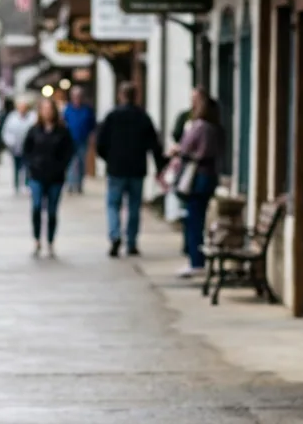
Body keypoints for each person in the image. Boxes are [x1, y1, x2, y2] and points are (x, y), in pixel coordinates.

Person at [95, 81, 165, 258]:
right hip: (136, 168)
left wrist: (109, 159)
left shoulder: (112, 117)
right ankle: (131, 241)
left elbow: (100, 143)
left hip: (116, 168)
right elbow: (154, 145)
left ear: (120, 95)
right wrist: (160, 167)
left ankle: (115, 235)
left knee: (113, 205)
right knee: (133, 207)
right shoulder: (143, 117)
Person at [166, 93, 223, 277]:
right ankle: (196, 258)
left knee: (193, 219)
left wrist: (177, 151)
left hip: (197, 177)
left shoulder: (199, 127)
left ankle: (195, 260)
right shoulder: (216, 128)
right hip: (209, 177)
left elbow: (185, 147)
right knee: (197, 217)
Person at [23, 97, 75, 257]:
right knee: (37, 207)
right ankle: (37, 239)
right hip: (37, 175)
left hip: (56, 177)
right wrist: (32, 165)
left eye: (49, 109)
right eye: (44, 109)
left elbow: (69, 151)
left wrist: (61, 166)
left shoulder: (62, 131)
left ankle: (50, 240)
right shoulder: (34, 130)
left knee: (52, 211)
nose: (47, 112)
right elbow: (27, 150)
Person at [62, 86, 97, 194]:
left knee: (81, 163)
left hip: (83, 140)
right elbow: (63, 123)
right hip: (70, 141)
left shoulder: (87, 109)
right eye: (75, 96)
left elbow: (92, 125)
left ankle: (79, 185)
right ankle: (71, 184)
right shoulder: (67, 109)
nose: (77, 98)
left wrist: (92, 137)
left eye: (79, 96)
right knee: (71, 163)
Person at [0, 96, 36, 193]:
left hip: (29, 148)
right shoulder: (12, 117)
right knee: (17, 166)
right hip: (16, 148)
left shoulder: (32, 117)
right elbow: (6, 132)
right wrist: (11, 142)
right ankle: (17, 185)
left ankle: (27, 184)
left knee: (28, 166)